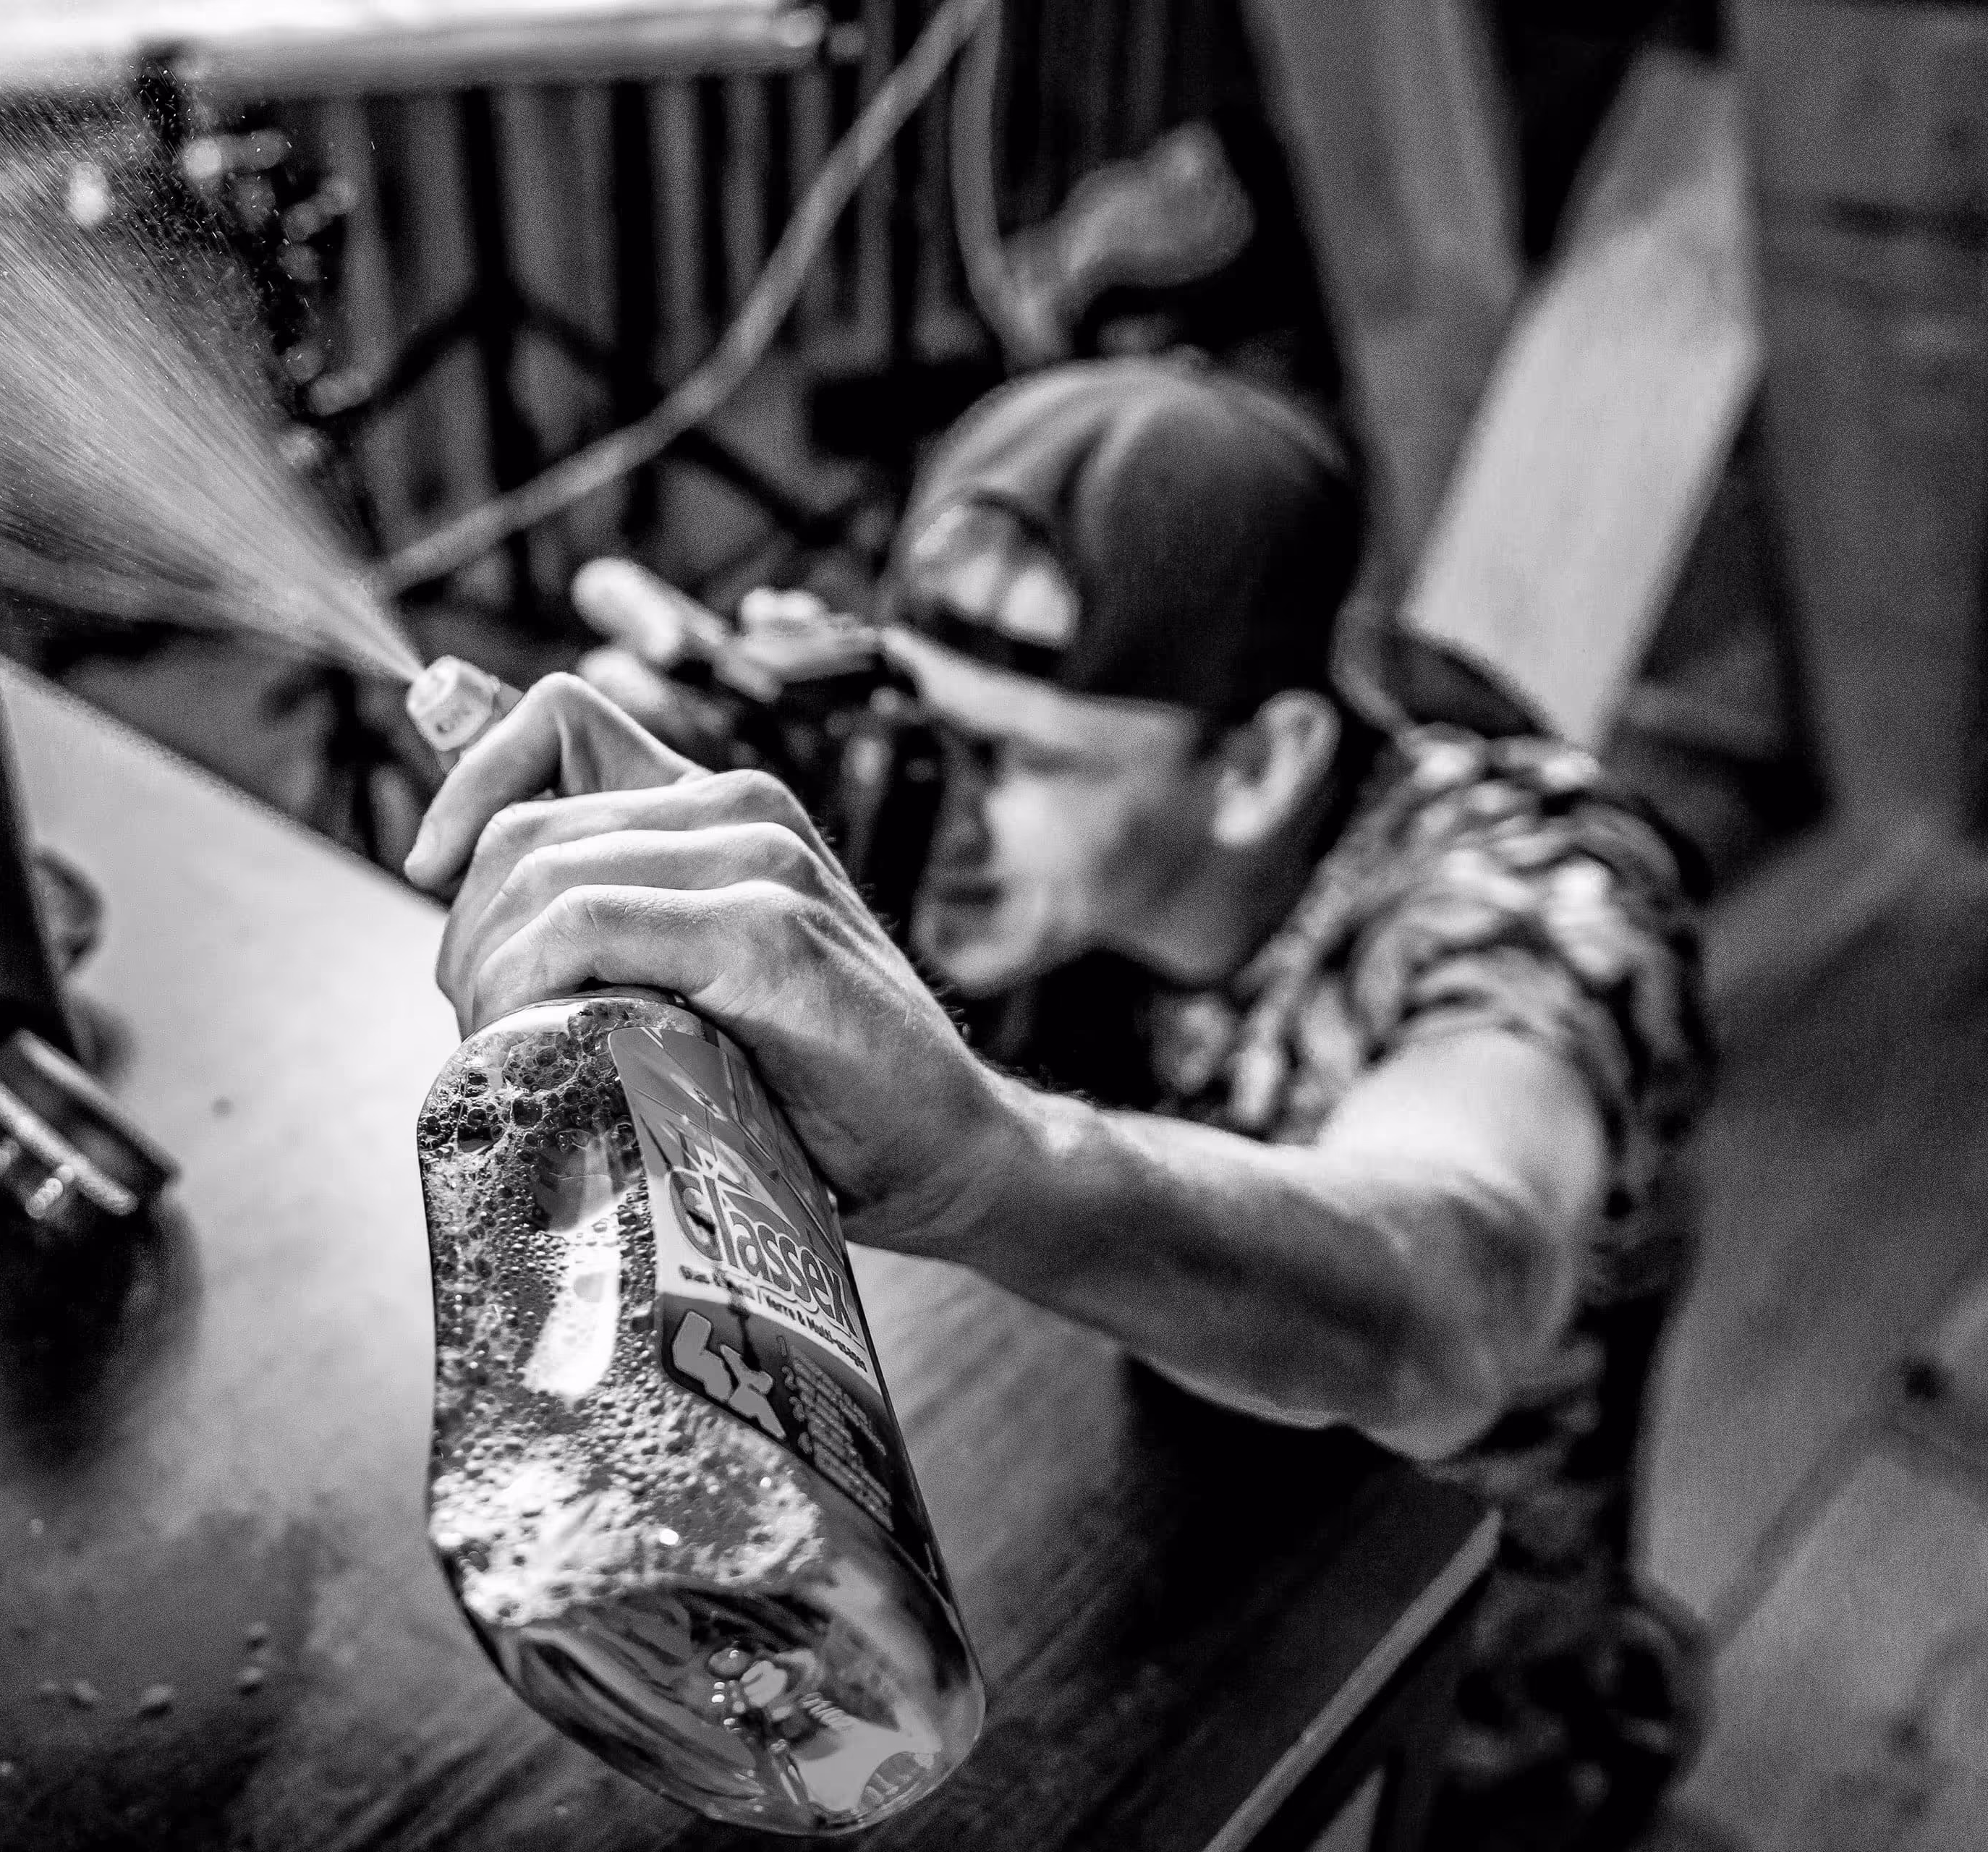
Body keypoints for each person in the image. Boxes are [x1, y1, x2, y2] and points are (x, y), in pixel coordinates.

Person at [404, 360, 1709, 1851]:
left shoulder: (1531, 898)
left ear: (1265, 762)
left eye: (1011, 758)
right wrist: (744, 811)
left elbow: (1459, 1296)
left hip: (1451, 1693)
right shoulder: (1068, 818)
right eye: (916, 720)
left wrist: (991, 1160)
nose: (936, 805)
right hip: (1151, 1527)